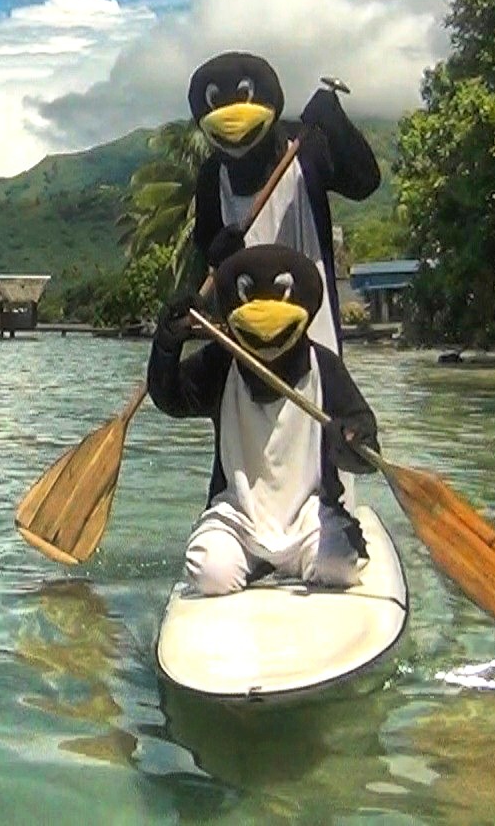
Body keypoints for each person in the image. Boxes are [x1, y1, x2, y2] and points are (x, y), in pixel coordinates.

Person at [148, 244, 380, 596]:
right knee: (210, 572)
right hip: (238, 515)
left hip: (309, 515)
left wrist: (350, 442)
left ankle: (299, 560)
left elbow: (364, 446)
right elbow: (171, 398)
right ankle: (255, 562)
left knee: (337, 567)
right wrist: (166, 346)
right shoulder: (222, 363)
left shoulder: (323, 367)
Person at [185, 52, 379, 352]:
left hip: (313, 328)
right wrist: (217, 254)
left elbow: (364, 183)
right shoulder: (213, 176)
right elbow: (205, 252)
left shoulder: (304, 147)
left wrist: (336, 125)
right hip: (245, 332)